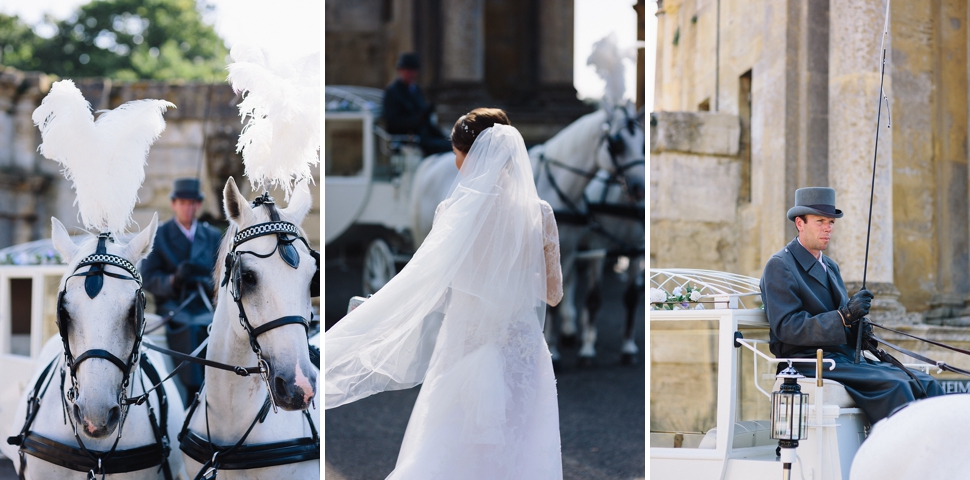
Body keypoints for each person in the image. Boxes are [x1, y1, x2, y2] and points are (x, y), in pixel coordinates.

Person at [326, 108, 564, 478]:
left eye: (457, 154)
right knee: (520, 456)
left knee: (448, 456)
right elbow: (553, 295)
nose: (456, 163)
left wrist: (380, 311)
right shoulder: (541, 214)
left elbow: (433, 293)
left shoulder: (450, 212)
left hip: (463, 350)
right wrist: (513, 279)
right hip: (521, 353)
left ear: (472, 155)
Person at [760, 187, 942, 425]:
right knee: (897, 385)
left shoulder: (830, 266)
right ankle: (895, 456)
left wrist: (858, 328)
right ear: (799, 223)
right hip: (808, 362)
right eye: (820, 221)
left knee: (926, 382)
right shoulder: (780, 265)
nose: (828, 228)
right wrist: (844, 317)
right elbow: (787, 327)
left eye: (831, 222)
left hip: (842, 358)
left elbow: (844, 318)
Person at [141, 178, 223, 403]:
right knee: (193, 327)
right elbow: (148, 277)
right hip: (176, 305)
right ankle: (194, 390)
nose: (188, 208)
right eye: (183, 203)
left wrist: (208, 281)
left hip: (205, 301)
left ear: (199, 205)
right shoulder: (159, 236)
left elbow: (223, 275)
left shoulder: (214, 236)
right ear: (174, 204)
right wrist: (174, 279)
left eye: (193, 203)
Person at [382, 52, 454, 155]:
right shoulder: (392, 92)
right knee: (446, 147)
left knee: (452, 144)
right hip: (409, 137)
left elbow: (425, 120)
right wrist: (418, 119)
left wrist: (442, 136)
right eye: (407, 70)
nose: (410, 74)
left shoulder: (416, 90)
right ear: (400, 71)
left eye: (412, 70)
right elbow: (392, 121)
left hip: (423, 134)